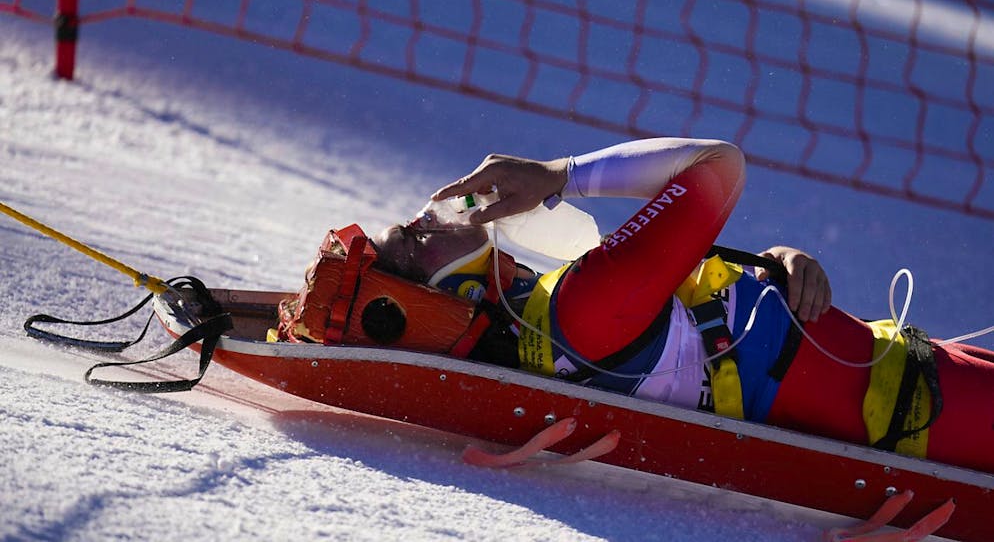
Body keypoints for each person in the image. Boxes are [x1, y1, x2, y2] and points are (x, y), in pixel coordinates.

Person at [303, 137, 994, 473]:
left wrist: (778, 266)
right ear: (441, 293)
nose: (428, 211)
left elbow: (700, 299)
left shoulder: (556, 316)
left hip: (920, 367)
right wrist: (558, 175)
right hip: (941, 412)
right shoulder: (578, 310)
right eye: (415, 234)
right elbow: (717, 167)